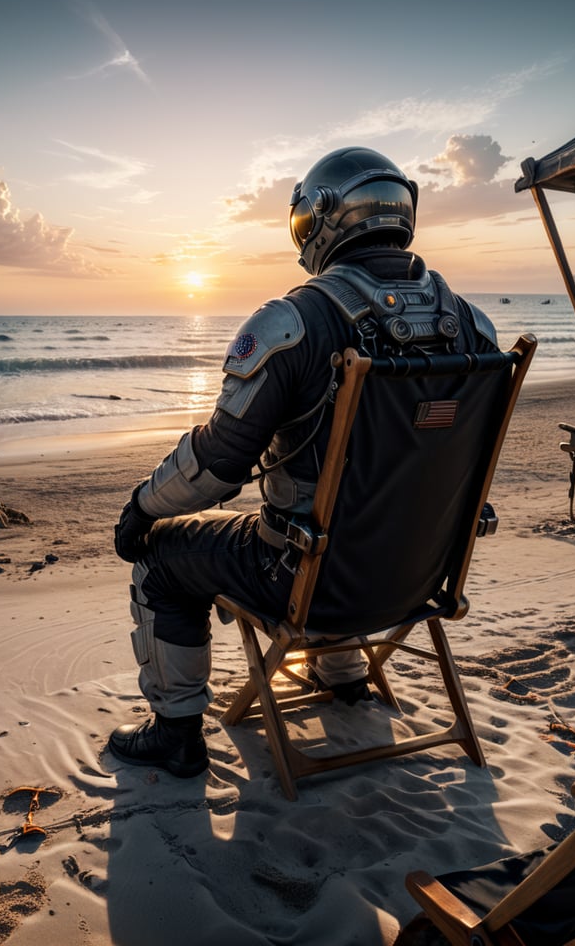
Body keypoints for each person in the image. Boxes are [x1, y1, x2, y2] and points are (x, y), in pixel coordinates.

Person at [109, 146, 498, 778]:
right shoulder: (473, 326)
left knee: (160, 558)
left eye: (301, 224)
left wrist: (142, 505)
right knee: (353, 521)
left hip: (306, 583)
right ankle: (345, 676)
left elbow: (218, 463)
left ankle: (175, 731)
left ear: (323, 218)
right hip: (420, 581)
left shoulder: (296, 320)